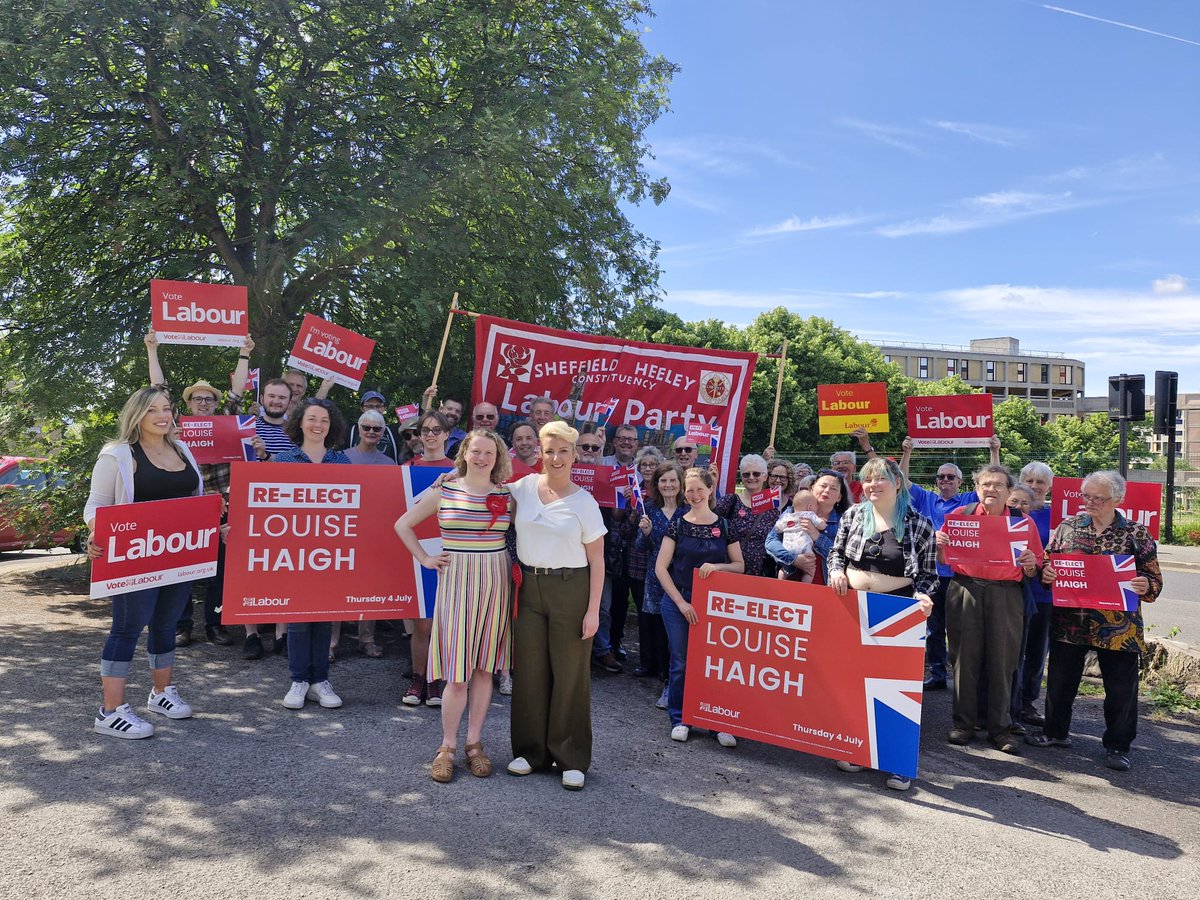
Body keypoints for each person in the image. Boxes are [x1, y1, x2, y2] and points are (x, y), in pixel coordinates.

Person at [85, 387, 205, 739]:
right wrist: (96, 532)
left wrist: (215, 523)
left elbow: (193, 501)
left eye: (166, 409)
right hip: (134, 555)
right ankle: (109, 712)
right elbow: (96, 506)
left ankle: (161, 694)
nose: (162, 416)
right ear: (136, 414)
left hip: (179, 554)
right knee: (127, 628)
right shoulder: (117, 455)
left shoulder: (182, 449)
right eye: (152, 410)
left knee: (166, 624)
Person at [394, 430, 514, 783]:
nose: (482, 458)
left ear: (497, 456)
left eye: (489, 453)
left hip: (495, 580)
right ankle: (446, 746)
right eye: (476, 451)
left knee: (483, 668)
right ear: (464, 453)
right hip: (457, 581)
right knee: (457, 672)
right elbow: (402, 524)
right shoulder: (445, 488)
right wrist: (425, 558)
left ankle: (474, 744)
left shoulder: (507, 494)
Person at [1025, 471, 1162, 772]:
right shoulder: (1068, 527)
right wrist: (1047, 574)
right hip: (1071, 622)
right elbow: (1048, 563)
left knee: (1121, 689)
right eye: (1086, 496)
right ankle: (1055, 732)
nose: (1089, 502)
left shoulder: (1136, 534)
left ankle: (1118, 745)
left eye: (1097, 498)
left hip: (1119, 628)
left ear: (1117, 499)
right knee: (1060, 682)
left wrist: (1144, 584)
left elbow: (1155, 581)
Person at [506, 420, 607, 791]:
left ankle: (571, 757)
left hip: (571, 589)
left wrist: (593, 610)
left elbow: (598, 561)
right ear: (540, 453)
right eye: (550, 450)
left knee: (570, 674)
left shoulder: (585, 502)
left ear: (574, 454)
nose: (556, 457)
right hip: (530, 588)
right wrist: (444, 480)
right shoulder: (524, 487)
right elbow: (477, 477)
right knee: (530, 670)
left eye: (563, 450)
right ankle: (530, 752)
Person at [826, 456, 937, 791]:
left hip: (897, 613)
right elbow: (836, 554)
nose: (873, 485)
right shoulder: (853, 515)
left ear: (898, 483)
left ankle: (896, 761)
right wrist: (834, 571)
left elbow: (929, 576)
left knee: (894, 689)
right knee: (853, 682)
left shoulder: (919, 523)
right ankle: (857, 747)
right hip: (854, 608)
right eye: (868, 479)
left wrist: (923, 595)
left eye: (881, 479)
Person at [144, 329, 255, 648]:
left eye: (208, 398)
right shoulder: (175, 425)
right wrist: (153, 349)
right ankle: (182, 627)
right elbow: (158, 388)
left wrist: (244, 354)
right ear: (189, 403)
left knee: (221, 571)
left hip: (223, 507)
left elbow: (237, 392)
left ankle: (215, 625)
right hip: (187, 507)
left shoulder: (226, 425)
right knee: (182, 569)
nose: (204, 402)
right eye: (198, 398)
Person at [937, 464, 1043, 755]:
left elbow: (1035, 569)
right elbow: (944, 560)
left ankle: (1001, 728)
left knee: (1003, 661)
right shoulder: (960, 517)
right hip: (965, 589)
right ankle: (963, 724)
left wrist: (1031, 564)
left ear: (1010, 491)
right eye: (985, 484)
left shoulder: (1024, 524)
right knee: (963, 659)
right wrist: (939, 545)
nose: (991, 490)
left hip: (1006, 594)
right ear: (976, 488)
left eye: (998, 485)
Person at [898, 435, 1001, 691]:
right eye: (941, 477)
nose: (945, 480)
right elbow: (901, 481)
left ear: (960, 482)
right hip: (931, 572)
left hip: (959, 574)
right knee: (933, 628)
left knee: (961, 628)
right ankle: (937, 674)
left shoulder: (968, 500)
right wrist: (907, 452)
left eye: (950, 477)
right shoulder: (927, 500)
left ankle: (963, 677)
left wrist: (994, 451)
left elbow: (993, 483)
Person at [654, 467, 743, 747]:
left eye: (699, 489)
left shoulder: (725, 525)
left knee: (715, 665)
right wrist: (680, 603)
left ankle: (717, 722)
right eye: (688, 490)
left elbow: (739, 566)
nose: (693, 495)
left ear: (709, 489)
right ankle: (681, 719)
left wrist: (716, 567)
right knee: (680, 663)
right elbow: (660, 567)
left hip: (716, 606)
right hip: (679, 602)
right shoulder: (678, 524)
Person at [273, 398, 351, 711]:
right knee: (298, 619)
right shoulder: (282, 460)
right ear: (300, 422)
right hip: (293, 552)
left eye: (324, 420)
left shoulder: (341, 461)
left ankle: (320, 680)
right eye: (312, 419)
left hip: (330, 553)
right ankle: (299, 680)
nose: (317, 425)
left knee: (324, 617)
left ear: (331, 427)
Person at [401, 409, 455, 707]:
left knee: (445, 622)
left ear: (447, 434)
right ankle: (419, 678)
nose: (431, 435)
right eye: (426, 430)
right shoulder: (407, 467)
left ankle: (438, 680)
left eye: (437, 430)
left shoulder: (461, 468)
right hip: (420, 551)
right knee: (423, 623)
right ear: (419, 436)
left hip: (453, 550)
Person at [636, 461, 685, 709]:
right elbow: (640, 548)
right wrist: (644, 534)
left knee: (675, 636)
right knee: (658, 631)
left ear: (680, 483)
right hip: (655, 579)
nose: (668, 485)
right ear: (657, 484)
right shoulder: (649, 510)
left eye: (673, 480)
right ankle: (665, 680)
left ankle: (671, 684)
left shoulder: (688, 510)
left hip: (680, 579)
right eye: (663, 480)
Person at [574, 427, 621, 674]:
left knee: (602, 605)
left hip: (601, 550)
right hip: (571, 551)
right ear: (576, 450)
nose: (590, 451)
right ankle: (576, 654)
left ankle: (602, 651)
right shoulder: (566, 474)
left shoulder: (607, 475)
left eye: (595, 447)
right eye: (585, 447)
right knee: (572, 606)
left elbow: (616, 514)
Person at [1016, 461, 1055, 727]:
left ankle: (1027, 702)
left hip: (1045, 594)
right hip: (1015, 590)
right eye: (1029, 480)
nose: (1034, 486)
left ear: (1049, 486)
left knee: (1037, 651)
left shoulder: (1059, 515)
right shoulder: (1011, 513)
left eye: (1040, 482)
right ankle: (1007, 702)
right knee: (1013, 650)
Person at [765, 468, 850, 585]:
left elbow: (846, 555)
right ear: (812, 488)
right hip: (789, 582)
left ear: (839, 497)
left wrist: (817, 537)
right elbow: (770, 542)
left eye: (833, 488)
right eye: (823, 486)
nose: (827, 491)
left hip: (826, 587)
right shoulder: (791, 511)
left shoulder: (845, 520)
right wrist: (793, 559)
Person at [714, 453, 780, 578]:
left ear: (765, 477)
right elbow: (711, 524)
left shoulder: (773, 506)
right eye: (746, 474)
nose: (751, 477)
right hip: (729, 571)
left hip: (760, 574)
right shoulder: (730, 501)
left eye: (756, 474)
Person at [772, 489, 824, 582]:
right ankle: (804, 587)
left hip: (788, 549)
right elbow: (821, 526)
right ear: (810, 507)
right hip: (804, 549)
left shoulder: (787, 516)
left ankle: (781, 583)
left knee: (784, 569)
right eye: (817, 505)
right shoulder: (810, 514)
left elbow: (777, 528)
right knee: (809, 571)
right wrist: (822, 523)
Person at [347, 390, 400, 461]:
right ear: (362, 408)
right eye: (370, 406)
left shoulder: (393, 431)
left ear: (384, 408)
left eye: (378, 406)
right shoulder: (351, 430)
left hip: (387, 470)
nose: (375, 409)